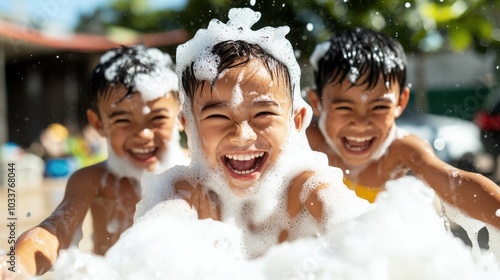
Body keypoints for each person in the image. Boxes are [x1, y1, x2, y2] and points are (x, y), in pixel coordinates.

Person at [135, 7, 370, 259]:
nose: (242, 135)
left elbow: (359, 232)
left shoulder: (305, 188)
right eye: (218, 116)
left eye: (263, 115)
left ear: (296, 121)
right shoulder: (186, 193)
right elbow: (151, 243)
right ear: (189, 126)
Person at [9, 44, 189, 276]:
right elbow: (56, 230)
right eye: (123, 120)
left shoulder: (196, 171)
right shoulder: (93, 180)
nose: (143, 134)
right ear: (98, 124)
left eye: (157, 119)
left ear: (180, 118)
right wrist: (16, 264)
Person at [305, 27, 500, 230]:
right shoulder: (306, 142)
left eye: (379, 107)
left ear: (400, 102)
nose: (362, 123)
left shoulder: (399, 149)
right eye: (344, 107)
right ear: (316, 102)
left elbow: (455, 183)